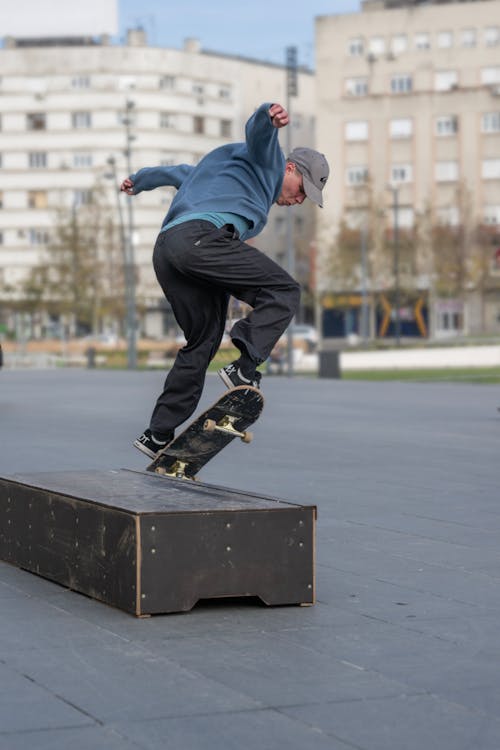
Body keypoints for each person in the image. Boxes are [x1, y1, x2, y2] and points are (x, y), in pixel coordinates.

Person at [121, 102, 329, 459]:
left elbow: (175, 172)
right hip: (200, 240)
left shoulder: (216, 170)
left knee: (202, 341)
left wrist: (138, 181)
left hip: (168, 251)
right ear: (290, 167)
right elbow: (260, 136)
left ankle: (157, 434)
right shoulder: (270, 163)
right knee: (284, 290)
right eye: (301, 189)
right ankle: (243, 367)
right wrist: (269, 117)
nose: (297, 200)